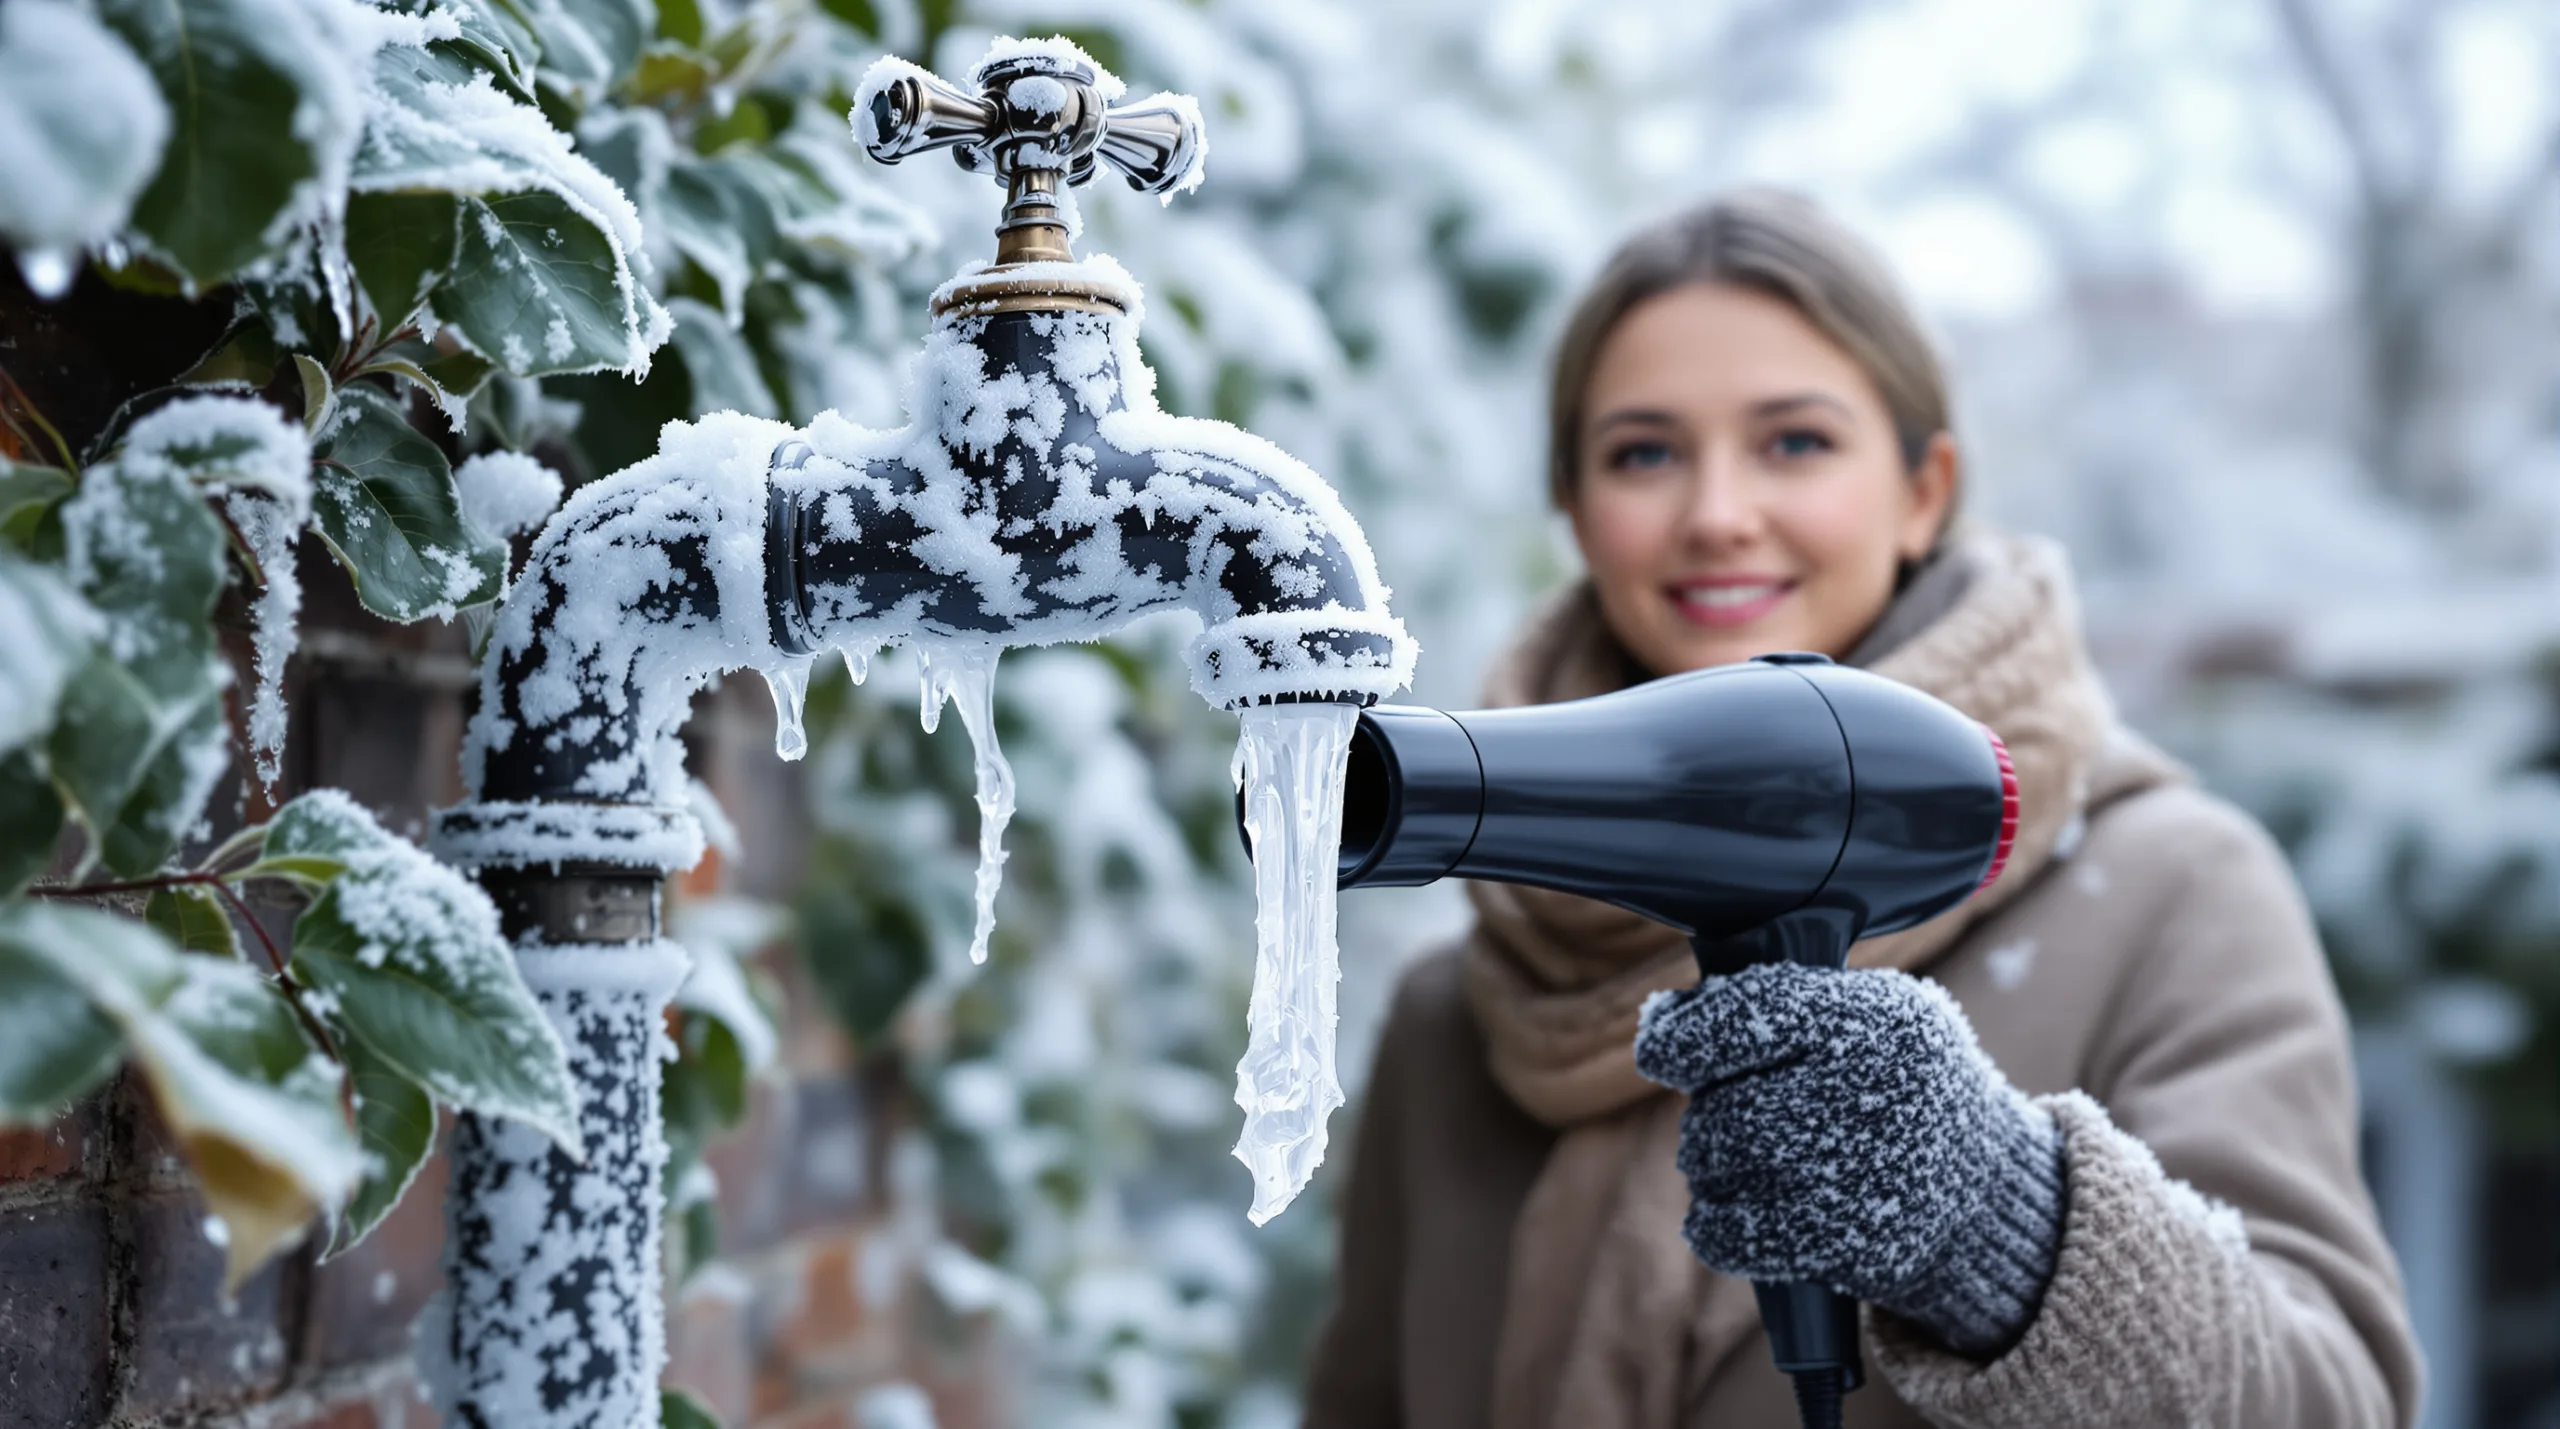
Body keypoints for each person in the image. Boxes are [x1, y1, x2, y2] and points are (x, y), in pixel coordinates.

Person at [1300, 189, 2423, 1429]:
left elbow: (2333, 1403)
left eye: (1794, 442)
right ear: (1572, 507)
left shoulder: (2169, 895)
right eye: (1643, 454)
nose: (1717, 513)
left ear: (1923, 490)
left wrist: (1999, 1227)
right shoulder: (1457, 1014)